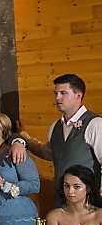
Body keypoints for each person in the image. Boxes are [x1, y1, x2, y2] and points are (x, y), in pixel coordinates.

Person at [18, 74, 102, 208]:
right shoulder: (55, 126)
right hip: (62, 202)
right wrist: (24, 138)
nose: (58, 98)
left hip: (88, 204)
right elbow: (49, 153)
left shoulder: (95, 124)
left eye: (63, 93)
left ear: (78, 96)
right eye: (56, 93)